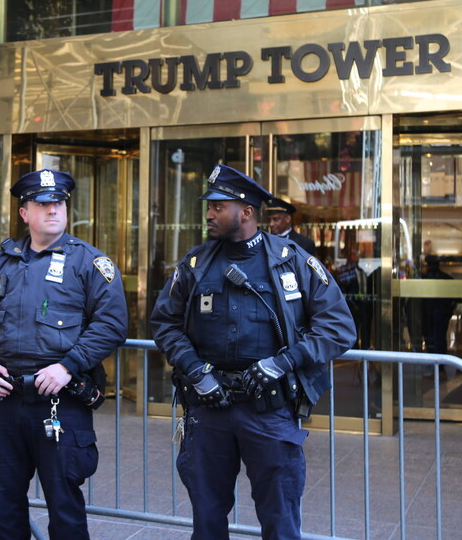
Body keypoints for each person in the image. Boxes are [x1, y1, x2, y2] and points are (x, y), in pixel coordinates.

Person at [150, 164, 356, 540]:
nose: (209, 214)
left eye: (218, 206)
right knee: (207, 517)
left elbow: (339, 328)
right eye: (208, 207)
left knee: (279, 518)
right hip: (209, 409)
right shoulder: (196, 263)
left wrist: (285, 361)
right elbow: (164, 323)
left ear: (246, 212)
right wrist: (195, 370)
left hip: (269, 410)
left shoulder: (291, 260)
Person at [0, 169, 128, 540]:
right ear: (24, 213)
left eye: (60, 203)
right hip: (3, 403)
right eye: (43, 204)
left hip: (59, 402)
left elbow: (112, 325)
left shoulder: (90, 263)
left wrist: (69, 366)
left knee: (65, 511)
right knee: (2, 510)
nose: (54, 210)